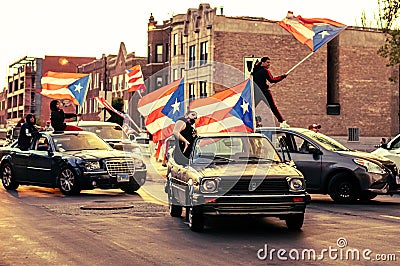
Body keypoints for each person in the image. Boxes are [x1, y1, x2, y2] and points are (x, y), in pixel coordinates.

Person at [252, 56, 289, 128]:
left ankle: (249, 121)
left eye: (269, 63)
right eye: (267, 62)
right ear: (263, 62)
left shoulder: (254, 70)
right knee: (273, 107)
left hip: (256, 92)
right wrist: (282, 77)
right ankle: (282, 122)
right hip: (264, 92)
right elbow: (272, 80)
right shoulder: (265, 71)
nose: (269, 64)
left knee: (253, 107)